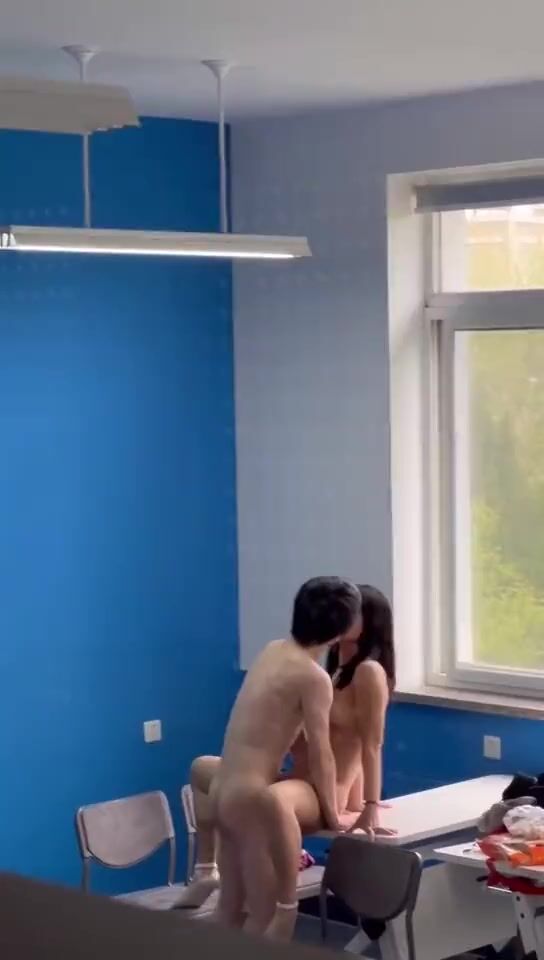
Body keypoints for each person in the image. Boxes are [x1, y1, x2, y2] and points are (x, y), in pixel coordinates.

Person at [177, 585, 395, 932]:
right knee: (206, 771)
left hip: (316, 790)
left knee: (266, 804)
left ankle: (286, 902)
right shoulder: (326, 671)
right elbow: (316, 742)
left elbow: (368, 745)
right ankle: (207, 870)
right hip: (296, 781)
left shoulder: (363, 672)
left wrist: (365, 805)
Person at [208, 577, 362, 941]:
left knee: (229, 910)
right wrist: (333, 814)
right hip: (250, 801)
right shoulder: (313, 677)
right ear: (340, 630)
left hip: (223, 787)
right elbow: (322, 753)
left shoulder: (272, 650)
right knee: (263, 921)